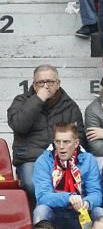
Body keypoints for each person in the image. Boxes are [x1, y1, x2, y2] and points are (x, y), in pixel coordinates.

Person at [6, 65, 85, 197]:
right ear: (34, 85)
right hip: (31, 159)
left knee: (73, 183)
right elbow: (19, 125)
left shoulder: (69, 106)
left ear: (58, 84)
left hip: (62, 159)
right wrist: (38, 100)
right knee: (33, 183)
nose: (45, 86)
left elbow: (79, 137)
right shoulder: (21, 101)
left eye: (50, 82)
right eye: (41, 82)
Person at [32, 123, 103, 225]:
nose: (61, 146)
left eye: (66, 142)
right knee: (41, 210)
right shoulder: (43, 161)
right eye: (58, 142)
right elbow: (43, 196)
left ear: (76, 143)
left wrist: (87, 203)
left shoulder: (89, 160)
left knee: (99, 212)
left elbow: (96, 194)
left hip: (82, 209)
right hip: (55, 209)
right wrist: (68, 198)